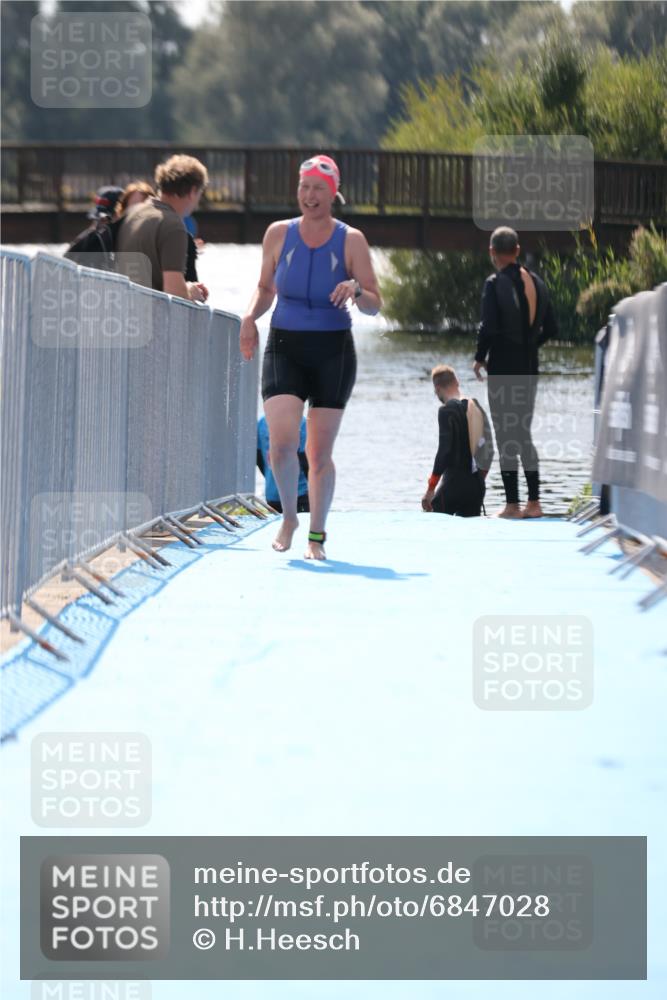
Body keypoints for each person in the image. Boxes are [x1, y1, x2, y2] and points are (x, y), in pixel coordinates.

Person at [239, 154, 381, 560]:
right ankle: (289, 517)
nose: (310, 195)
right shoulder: (278, 234)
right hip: (285, 344)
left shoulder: (350, 239)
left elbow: (375, 303)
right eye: (304, 187)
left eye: (319, 188)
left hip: (332, 350)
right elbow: (265, 289)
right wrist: (250, 317)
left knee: (318, 455)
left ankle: (317, 534)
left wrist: (355, 289)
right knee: (281, 446)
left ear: (334, 192)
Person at [473, 226, 558, 518]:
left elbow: (489, 327)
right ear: (518, 250)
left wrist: (479, 358)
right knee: (523, 433)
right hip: (529, 368)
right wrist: (530, 346)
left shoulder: (494, 283)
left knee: (506, 432)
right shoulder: (538, 282)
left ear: (492, 252)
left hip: (504, 368)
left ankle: (512, 505)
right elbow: (553, 329)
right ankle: (534, 503)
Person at [115, 154, 209, 303]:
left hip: (124, 310)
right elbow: (174, 296)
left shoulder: (135, 212)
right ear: (192, 191)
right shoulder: (173, 227)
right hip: (150, 320)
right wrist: (191, 292)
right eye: (200, 193)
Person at [422, 365, 493, 517]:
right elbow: (489, 450)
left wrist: (430, 488)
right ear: (457, 382)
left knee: (431, 523)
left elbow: (444, 452)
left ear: (437, 389)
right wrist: (478, 480)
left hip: (454, 483)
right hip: (477, 486)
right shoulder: (476, 407)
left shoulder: (446, 410)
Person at [257, 415, 310, 513]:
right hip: (299, 493)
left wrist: (271, 477)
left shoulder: (261, 422)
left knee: (279, 526)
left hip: (272, 493)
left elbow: (259, 458)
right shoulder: (302, 423)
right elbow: (305, 460)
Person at [64, 185, 124, 270]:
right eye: (98, 220)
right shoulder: (86, 241)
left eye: (106, 220)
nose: (100, 225)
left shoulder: (124, 238)